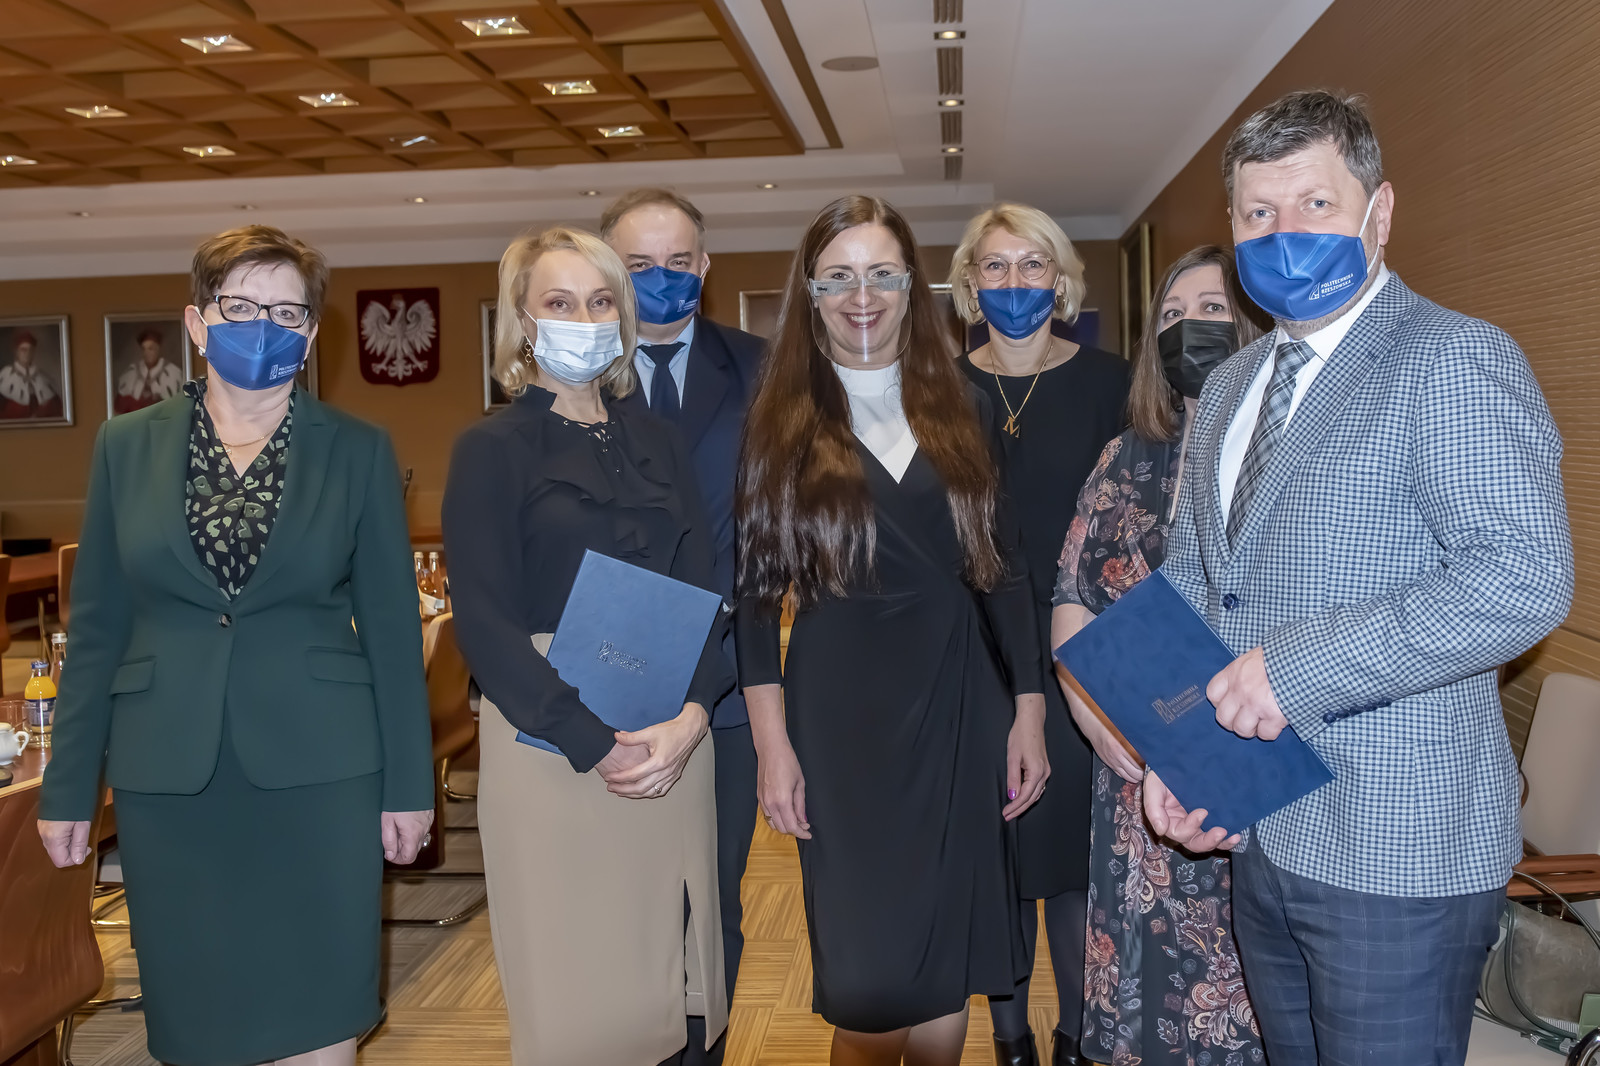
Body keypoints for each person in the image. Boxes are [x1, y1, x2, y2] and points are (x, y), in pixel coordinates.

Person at [1144, 90, 1573, 1066]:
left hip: (1399, 851)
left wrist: (1292, 671)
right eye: (1258, 214)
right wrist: (1185, 751)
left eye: (1315, 205)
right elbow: (1196, 581)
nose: (1284, 234)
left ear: (1378, 212)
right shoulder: (1230, 386)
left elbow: (1519, 578)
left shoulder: (1451, 357)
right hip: (1263, 830)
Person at [37, 224, 434, 1066]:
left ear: (310, 335)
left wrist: (410, 787)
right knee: (197, 1016)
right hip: (170, 775)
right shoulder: (124, 446)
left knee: (320, 1009)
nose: (264, 326)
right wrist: (69, 787)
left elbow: (394, 634)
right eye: (241, 306)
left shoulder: (357, 449)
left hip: (323, 770)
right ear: (197, 321)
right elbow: (98, 628)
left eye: (287, 312)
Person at [735, 194, 1047, 1066]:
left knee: (947, 969)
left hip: (960, 703)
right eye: (837, 277)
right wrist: (771, 747)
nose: (861, 295)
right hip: (840, 722)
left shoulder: (968, 409)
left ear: (914, 287)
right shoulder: (779, 422)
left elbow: (1006, 573)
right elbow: (754, 600)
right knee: (870, 989)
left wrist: (1028, 711)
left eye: (881, 273)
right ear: (810, 294)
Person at [442, 226, 734, 1066]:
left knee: (669, 995)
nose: (584, 318)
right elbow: (484, 623)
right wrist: (593, 741)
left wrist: (691, 717)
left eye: (601, 301)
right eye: (560, 302)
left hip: (669, 742)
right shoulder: (490, 448)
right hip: (551, 744)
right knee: (576, 1010)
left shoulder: (661, 442)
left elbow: (703, 595)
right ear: (523, 320)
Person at [1051, 246, 1265, 1066]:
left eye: (1211, 311)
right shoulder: (1125, 456)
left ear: (1253, 322)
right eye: (1172, 316)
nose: (1189, 329)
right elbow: (1070, 594)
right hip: (1130, 772)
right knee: (1141, 1007)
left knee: (1242, 1009)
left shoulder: (1286, 455)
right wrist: (1088, 712)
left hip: (1248, 772)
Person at [950, 203, 1128, 1066]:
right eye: (996, 266)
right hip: (970, 658)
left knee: (1071, 861)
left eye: (1033, 265)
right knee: (999, 859)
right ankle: (1010, 1039)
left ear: (1061, 281)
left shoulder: (1113, 385)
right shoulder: (936, 393)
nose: (1015, 282)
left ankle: (1078, 1039)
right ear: (968, 283)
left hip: (1078, 655)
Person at [601, 188, 766, 1015]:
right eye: (638, 264)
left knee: (711, 902)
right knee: (619, 910)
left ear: (704, 266)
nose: (661, 278)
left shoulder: (760, 369)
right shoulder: (573, 376)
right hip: (605, 682)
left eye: (677, 261)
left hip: (727, 686)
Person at [114, 327, 184, 414]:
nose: (146, 353)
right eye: (144, 349)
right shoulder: (132, 372)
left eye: (151, 348)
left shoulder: (173, 372)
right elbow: (120, 406)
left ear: (158, 349)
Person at [0, 330, 63, 419]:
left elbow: (57, 411)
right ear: (17, 352)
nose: (27, 353)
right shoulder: (5, 375)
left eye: (31, 350)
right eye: (23, 350)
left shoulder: (43, 377)